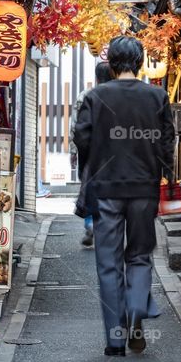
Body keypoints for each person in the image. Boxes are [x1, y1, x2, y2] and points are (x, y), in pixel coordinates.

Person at [74, 36, 176, 356]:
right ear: (140, 62)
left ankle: (116, 339)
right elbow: (166, 142)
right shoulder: (157, 96)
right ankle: (136, 311)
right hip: (144, 187)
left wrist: (91, 166)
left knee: (108, 262)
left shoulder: (95, 97)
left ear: (112, 63)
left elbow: (82, 137)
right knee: (139, 256)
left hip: (107, 189)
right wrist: (163, 171)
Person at [70, 61, 114, 247]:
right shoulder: (118, 96)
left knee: (89, 187)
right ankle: (106, 225)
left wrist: (74, 150)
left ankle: (90, 222)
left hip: (88, 149)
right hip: (112, 151)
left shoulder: (85, 96)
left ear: (96, 78)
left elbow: (75, 126)